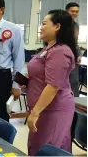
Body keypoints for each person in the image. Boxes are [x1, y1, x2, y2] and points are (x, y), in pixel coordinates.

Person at [22, 10, 76, 155]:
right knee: (37, 147)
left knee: (48, 149)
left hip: (54, 110)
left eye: (44, 23)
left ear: (57, 26)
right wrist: (29, 82)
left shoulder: (60, 51)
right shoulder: (48, 48)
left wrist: (34, 113)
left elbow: (53, 86)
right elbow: (42, 76)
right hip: (42, 109)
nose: (41, 27)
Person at [69, 21, 82, 97]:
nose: (76, 35)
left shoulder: (74, 44)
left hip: (73, 78)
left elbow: (77, 49)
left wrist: (79, 56)